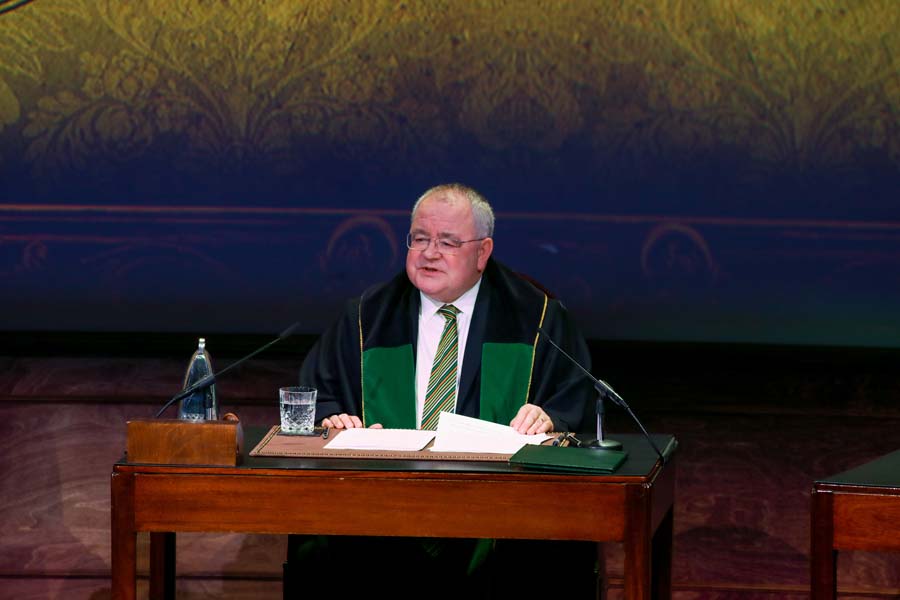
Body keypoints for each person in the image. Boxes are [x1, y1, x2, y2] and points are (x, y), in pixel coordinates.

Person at [286, 183, 599, 599]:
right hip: (382, 513)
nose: (429, 253)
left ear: (482, 252)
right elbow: (318, 394)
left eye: (447, 242)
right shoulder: (367, 316)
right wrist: (334, 419)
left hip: (496, 511)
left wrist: (550, 418)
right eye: (420, 239)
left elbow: (571, 399)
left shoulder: (535, 316)